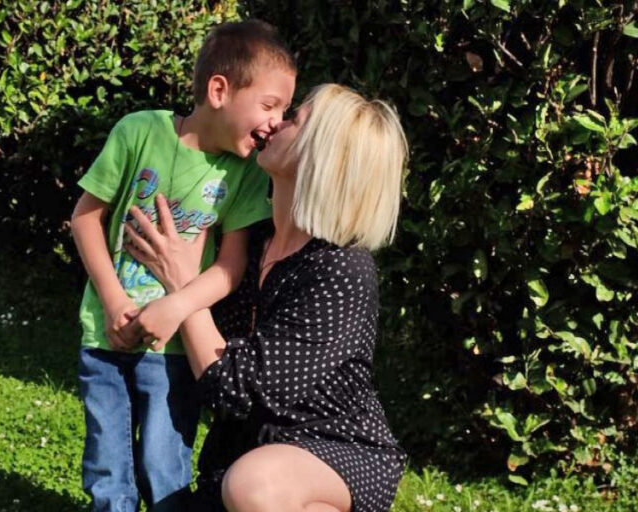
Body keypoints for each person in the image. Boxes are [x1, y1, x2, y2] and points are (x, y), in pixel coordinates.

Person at [123, 83, 409, 512]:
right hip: (241, 456)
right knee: (245, 485)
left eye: (295, 119)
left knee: (254, 486)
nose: (275, 123)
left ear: (321, 155)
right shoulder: (251, 243)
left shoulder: (341, 270)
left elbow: (235, 387)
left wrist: (184, 287)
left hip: (332, 447)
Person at [69, 20, 296, 511]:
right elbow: (85, 218)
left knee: (164, 467)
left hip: (174, 352)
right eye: (269, 105)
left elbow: (232, 266)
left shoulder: (245, 173)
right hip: (105, 336)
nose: (277, 122)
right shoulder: (138, 132)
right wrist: (112, 301)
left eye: (283, 110)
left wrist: (176, 308)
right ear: (219, 91)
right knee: (107, 467)